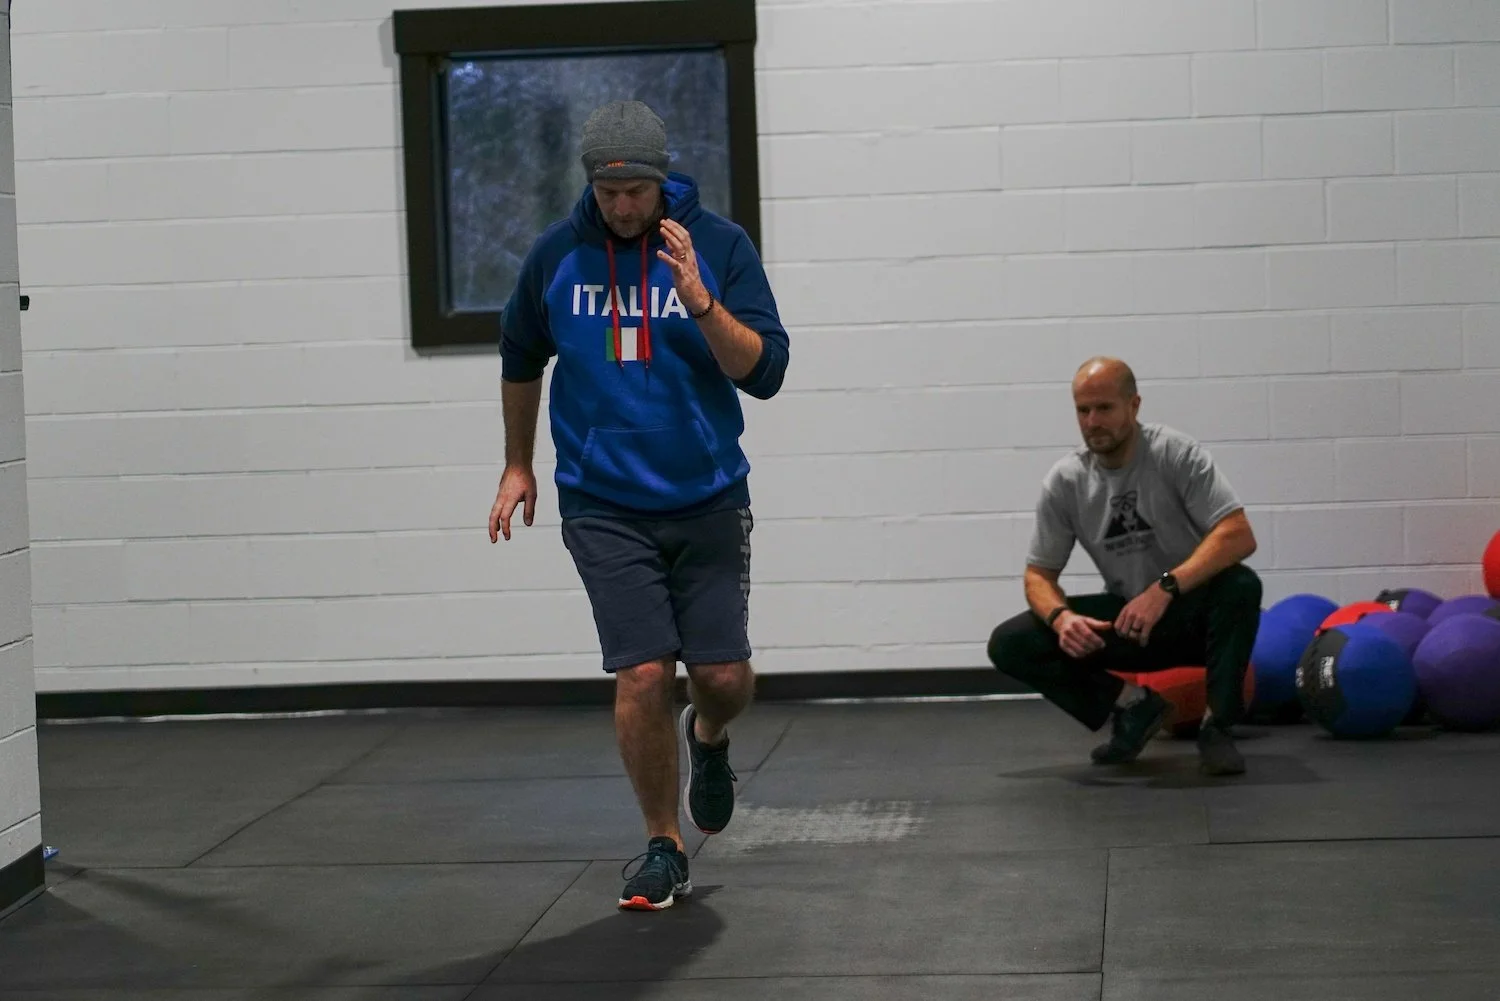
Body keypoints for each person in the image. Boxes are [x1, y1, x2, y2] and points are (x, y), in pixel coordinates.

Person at [486, 100, 790, 911]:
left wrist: (699, 299)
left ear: (662, 180)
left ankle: (709, 734)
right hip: (603, 501)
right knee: (644, 670)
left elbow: (765, 372)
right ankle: (663, 845)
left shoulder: (717, 246)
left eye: (637, 192)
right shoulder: (557, 253)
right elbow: (520, 353)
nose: (622, 207)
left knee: (721, 676)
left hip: (708, 496)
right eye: (608, 192)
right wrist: (518, 463)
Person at [987, 357, 1261, 777]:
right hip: (1131, 623)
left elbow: (1238, 534)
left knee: (1241, 585)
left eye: (1104, 408)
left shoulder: (1174, 453)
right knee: (1010, 642)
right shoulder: (1066, 481)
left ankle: (1218, 728)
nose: (1092, 421)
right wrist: (1061, 619)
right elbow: (1038, 575)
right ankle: (1134, 708)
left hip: (1191, 619)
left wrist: (1164, 588)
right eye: (1083, 410)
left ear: (1134, 406)